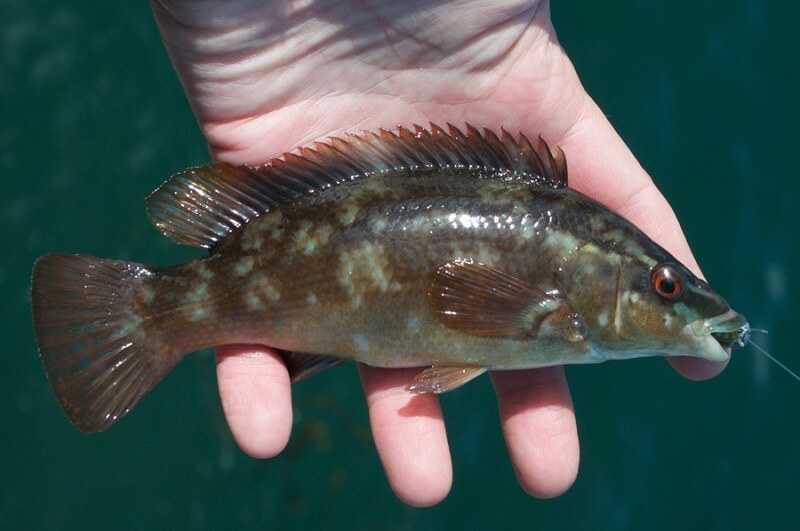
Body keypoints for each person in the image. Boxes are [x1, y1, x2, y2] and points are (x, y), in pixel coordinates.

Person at [150, 0, 726, 506]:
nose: (673, 296)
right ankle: (153, 314)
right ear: (591, 272)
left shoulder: (564, 265)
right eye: (663, 286)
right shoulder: (556, 285)